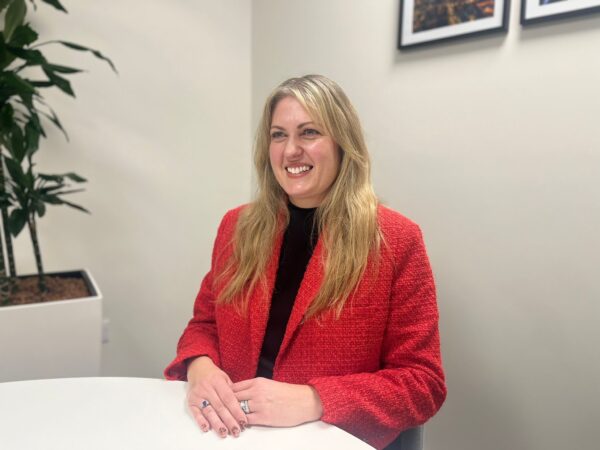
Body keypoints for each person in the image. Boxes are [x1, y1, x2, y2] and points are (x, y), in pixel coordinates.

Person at [164, 74, 446, 450]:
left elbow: (422, 383)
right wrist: (200, 366)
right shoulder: (237, 227)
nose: (290, 150)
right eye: (278, 135)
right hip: (231, 436)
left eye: (309, 133)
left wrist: (314, 399)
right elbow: (204, 325)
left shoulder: (395, 239)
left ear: (343, 143)